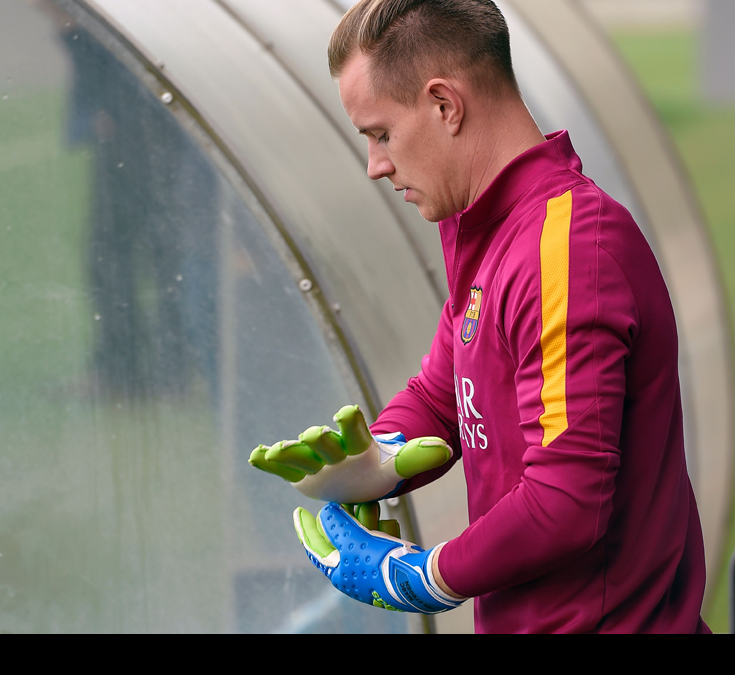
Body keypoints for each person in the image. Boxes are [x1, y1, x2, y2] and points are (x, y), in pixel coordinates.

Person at [249, 0, 708, 633]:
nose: (375, 165)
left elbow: (565, 504)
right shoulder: (496, 231)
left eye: (380, 134)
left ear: (444, 104)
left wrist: (423, 576)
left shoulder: (566, 252)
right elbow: (443, 396)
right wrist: (376, 461)